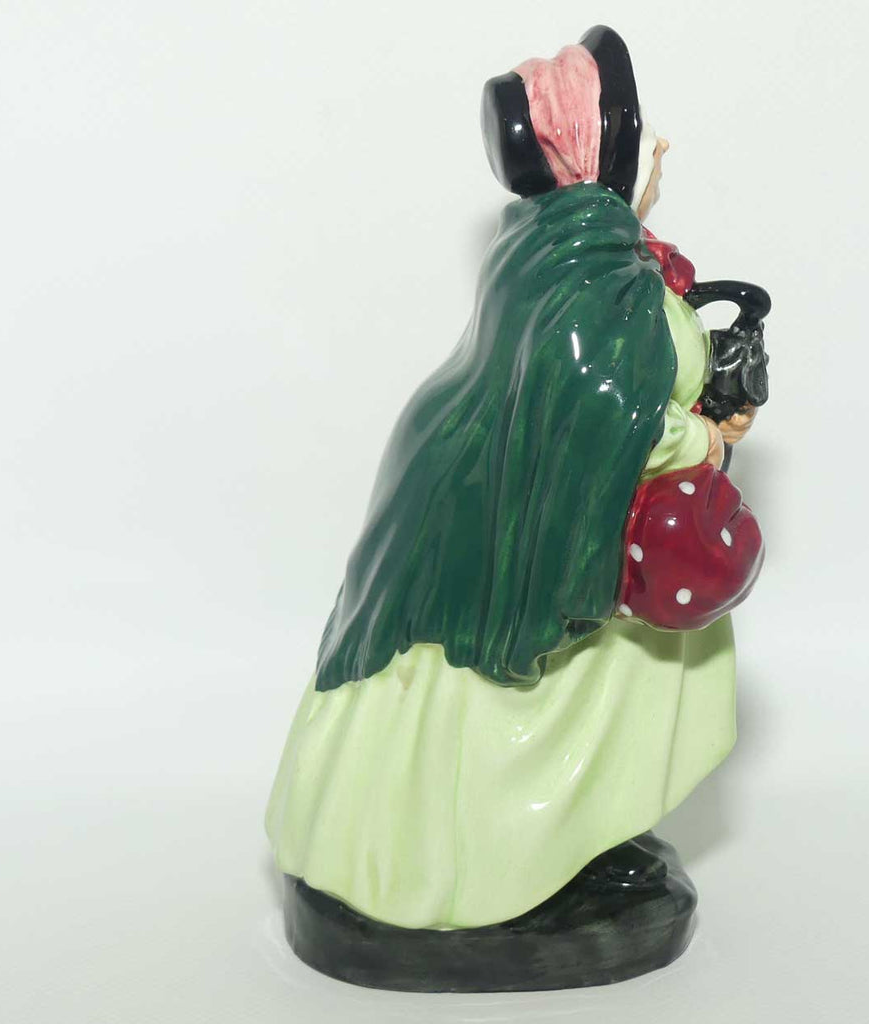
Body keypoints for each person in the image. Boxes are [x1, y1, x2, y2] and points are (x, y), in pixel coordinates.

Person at [266, 25, 764, 990]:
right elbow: (599, 406)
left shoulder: (571, 245)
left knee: (598, 681)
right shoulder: (587, 270)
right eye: (639, 138)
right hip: (521, 527)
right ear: (599, 156)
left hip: (517, 501)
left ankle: (559, 842)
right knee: (504, 692)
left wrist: (705, 403)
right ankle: (478, 867)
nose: (656, 153)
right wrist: (702, 440)